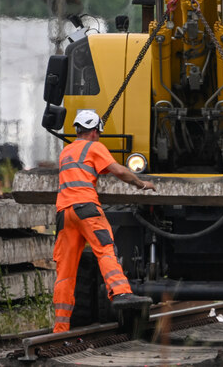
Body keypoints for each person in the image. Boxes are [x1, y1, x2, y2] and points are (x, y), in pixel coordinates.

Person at [53, 109, 156, 333]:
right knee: (105, 249)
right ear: (93, 131)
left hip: (64, 214)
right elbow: (119, 171)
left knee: (66, 271)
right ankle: (121, 292)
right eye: (98, 132)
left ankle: (60, 329)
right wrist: (141, 184)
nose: (99, 136)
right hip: (87, 209)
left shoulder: (66, 152)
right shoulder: (94, 147)